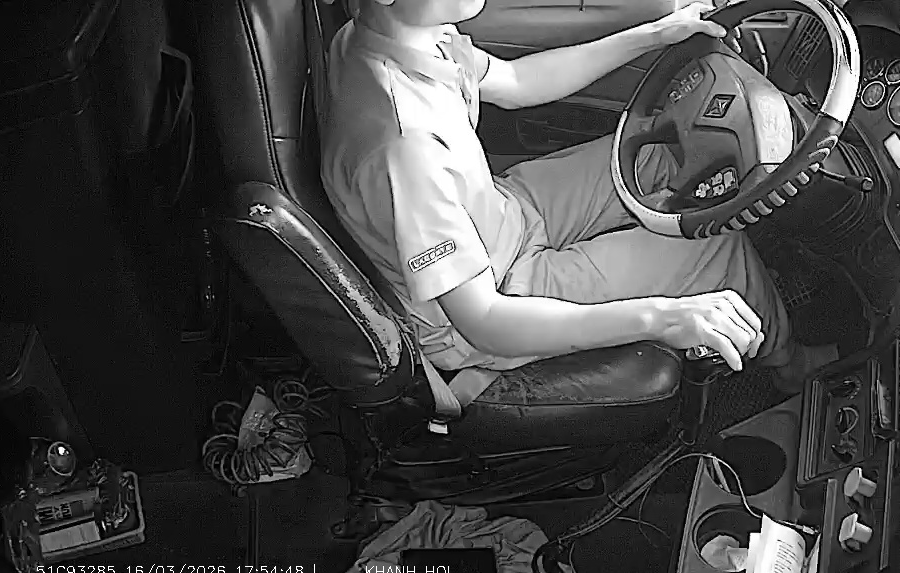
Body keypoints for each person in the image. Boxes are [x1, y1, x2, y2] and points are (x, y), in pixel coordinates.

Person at [320, 0, 837, 393]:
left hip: (501, 213)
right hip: (497, 294)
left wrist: (655, 34)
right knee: (716, 246)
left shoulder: (400, 34)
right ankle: (790, 364)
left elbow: (517, 80)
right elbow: (485, 322)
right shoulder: (404, 148)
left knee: (662, 154)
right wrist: (665, 317)